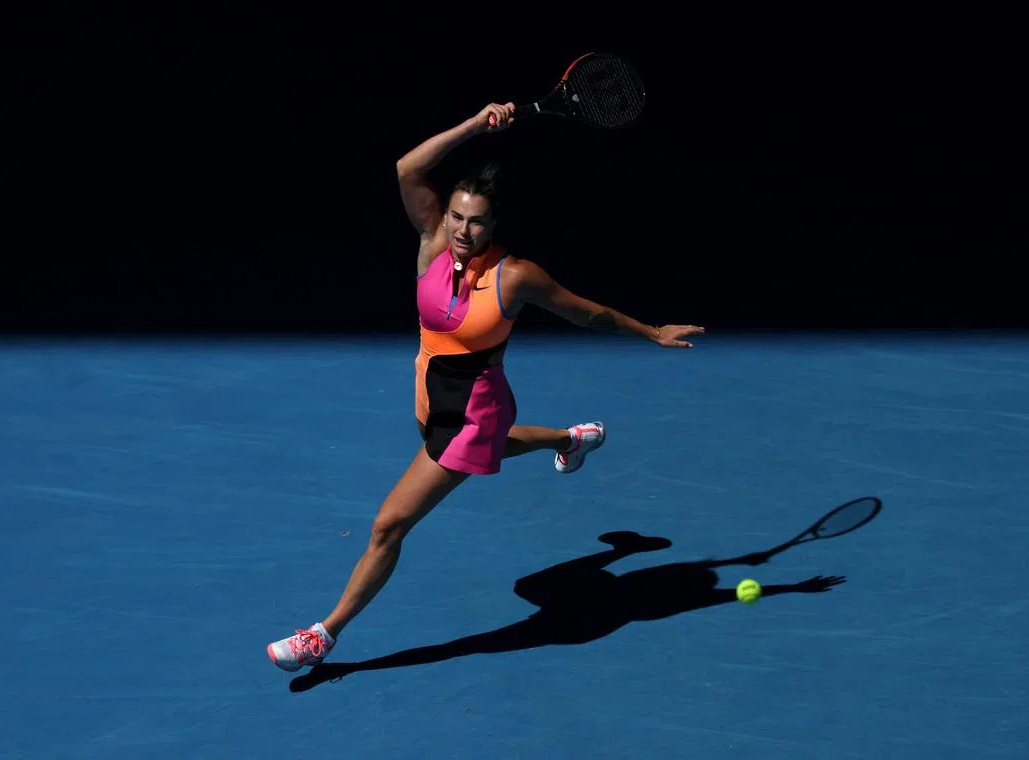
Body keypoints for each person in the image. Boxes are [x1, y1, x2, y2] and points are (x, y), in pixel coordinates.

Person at [267, 101, 704, 672]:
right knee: (505, 494)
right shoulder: (432, 243)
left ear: (494, 224)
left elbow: (587, 314)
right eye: (455, 217)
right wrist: (475, 125)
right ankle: (566, 440)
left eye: (476, 221)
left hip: (472, 411)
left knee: (388, 525)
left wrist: (650, 331)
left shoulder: (515, 276)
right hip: (433, 400)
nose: (463, 231)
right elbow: (406, 168)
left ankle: (326, 634)